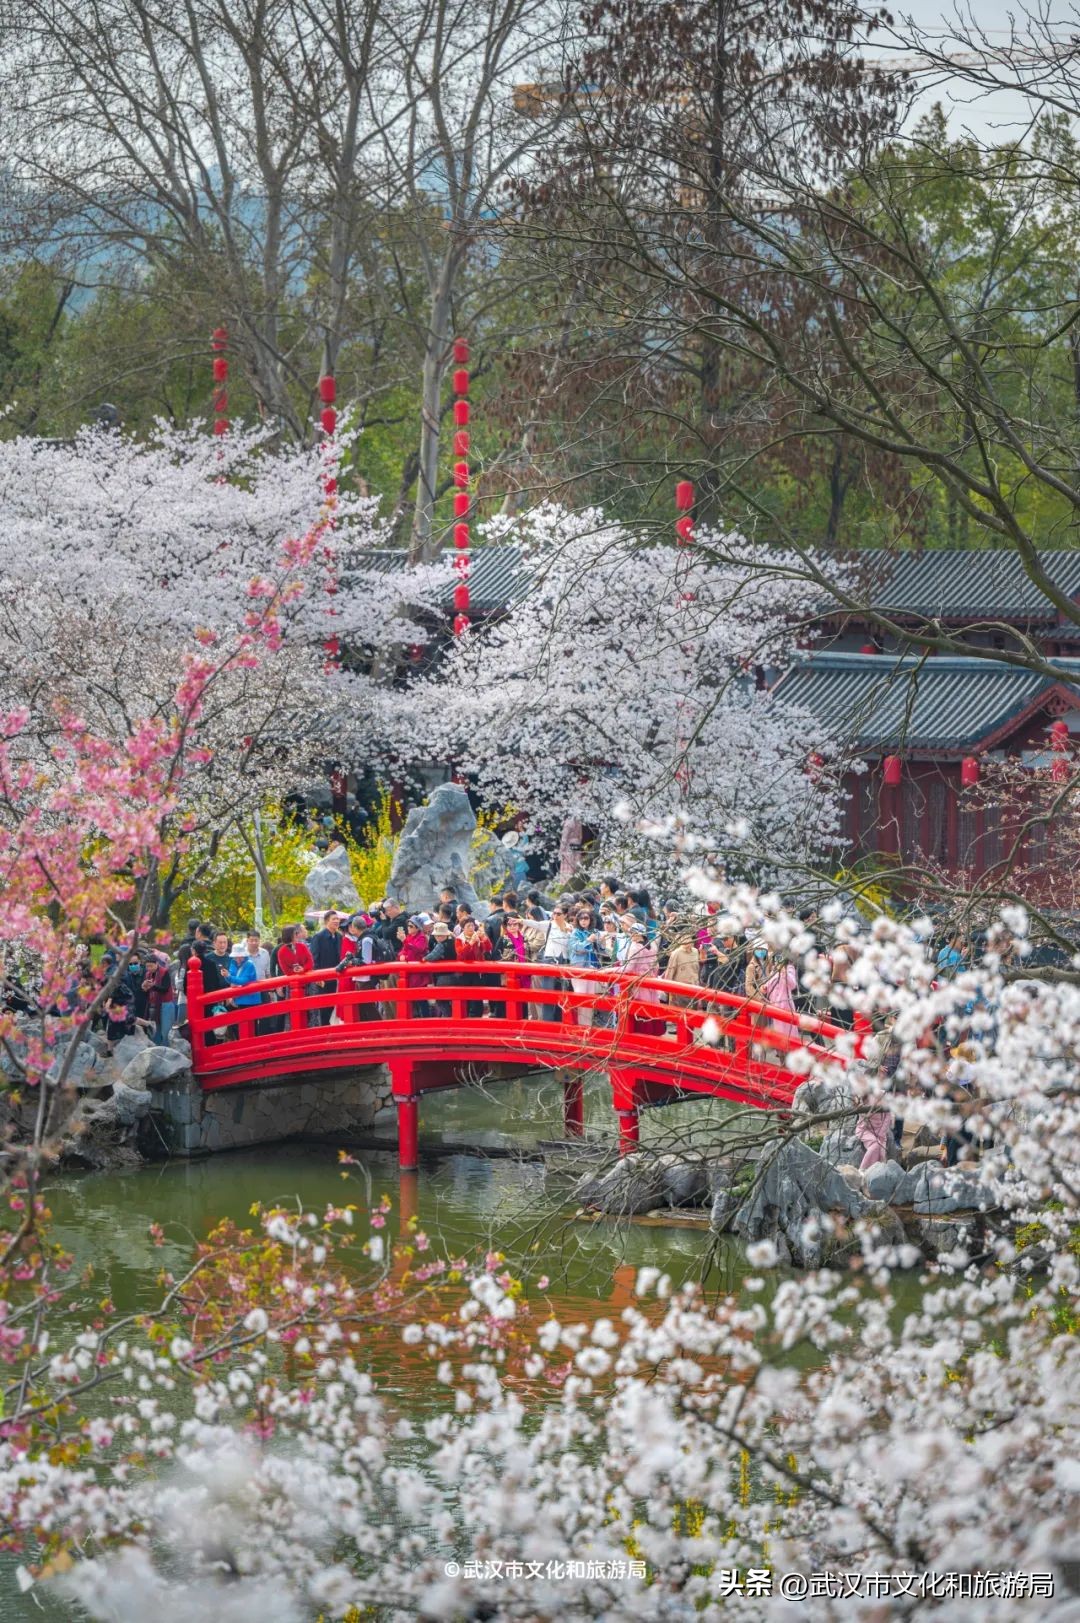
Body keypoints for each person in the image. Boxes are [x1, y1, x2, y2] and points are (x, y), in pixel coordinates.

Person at [567, 905, 603, 1028]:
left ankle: (586, 1025)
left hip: (591, 968)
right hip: (579, 968)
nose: (583, 921)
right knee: (580, 995)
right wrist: (588, 940)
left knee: (590, 997)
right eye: (581, 918)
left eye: (586, 918)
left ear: (590, 920)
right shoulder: (575, 933)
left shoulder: (593, 933)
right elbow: (576, 948)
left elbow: (602, 949)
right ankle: (579, 1025)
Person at [308, 911, 346, 1026]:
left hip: (336, 976)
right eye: (333, 919)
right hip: (323, 977)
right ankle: (324, 1028)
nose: (336, 921)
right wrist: (318, 976)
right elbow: (314, 958)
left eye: (337, 919)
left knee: (333, 1003)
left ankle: (328, 1027)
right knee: (324, 1005)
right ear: (326, 922)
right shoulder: (318, 937)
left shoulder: (339, 936)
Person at [276, 924, 314, 1030]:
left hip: (307, 981)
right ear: (291, 935)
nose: (297, 935)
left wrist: (303, 969)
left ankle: (312, 1030)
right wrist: (295, 972)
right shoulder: (281, 951)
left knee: (311, 1010)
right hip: (293, 984)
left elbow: (310, 962)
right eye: (295, 933)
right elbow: (285, 970)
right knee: (294, 1011)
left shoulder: (302, 946)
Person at [456, 916, 493, 1017]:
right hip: (464, 972)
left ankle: (478, 1016)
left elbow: (488, 948)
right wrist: (471, 943)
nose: (471, 928)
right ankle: (466, 1016)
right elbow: (461, 954)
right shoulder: (459, 939)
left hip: (477, 971)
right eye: (468, 926)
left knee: (478, 996)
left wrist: (484, 938)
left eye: (472, 925)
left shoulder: (477, 936)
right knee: (466, 996)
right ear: (463, 928)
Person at [400, 916, 432, 1018]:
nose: (408, 928)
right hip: (411, 971)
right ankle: (417, 1017)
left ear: (417, 928)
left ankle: (425, 1018)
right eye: (408, 926)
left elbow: (418, 949)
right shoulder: (409, 937)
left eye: (411, 926)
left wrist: (405, 941)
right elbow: (404, 950)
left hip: (419, 972)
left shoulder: (422, 937)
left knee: (421, 997)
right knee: (413, 996)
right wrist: (401, 955)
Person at [425, 921, 457, 1016]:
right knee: (453, 999)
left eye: (439, 935)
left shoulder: (441, 945)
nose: (437, 937)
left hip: (444, 976)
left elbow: (431, 957)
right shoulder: (453, 941)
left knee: (441, 1000)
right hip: (455, 974)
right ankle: (455, 1017)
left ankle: (449, 1018)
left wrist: (424, 958)